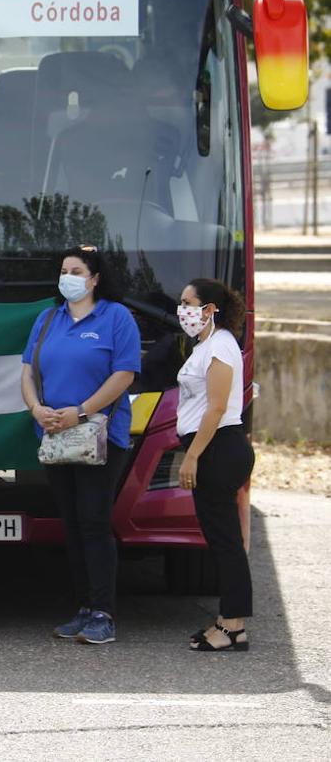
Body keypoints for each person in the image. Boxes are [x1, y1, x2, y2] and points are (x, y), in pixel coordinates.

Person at [19, 246, 140, 646]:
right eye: (63, 270)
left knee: (93, 521)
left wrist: (82, 412)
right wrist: (37, 409)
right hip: (54, 434)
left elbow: (124, 374)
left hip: (100, 435)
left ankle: (104, 612)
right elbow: (27, 371)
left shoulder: (116, 318)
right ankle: (84, 607)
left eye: (76, 270)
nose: (67, 276)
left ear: (94, 278)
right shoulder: (48, 318)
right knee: (70, 524)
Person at [176, 278, 254, 651]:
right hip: (211, 448)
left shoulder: (221, 346)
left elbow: (218, 408)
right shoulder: (205, 346)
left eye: (189, 303)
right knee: (220, 539)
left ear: (210, 309)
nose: (183, 310)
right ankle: (227, 619)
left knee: (225, 542)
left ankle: (234, 625)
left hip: (218, 450)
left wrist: (192, 456)